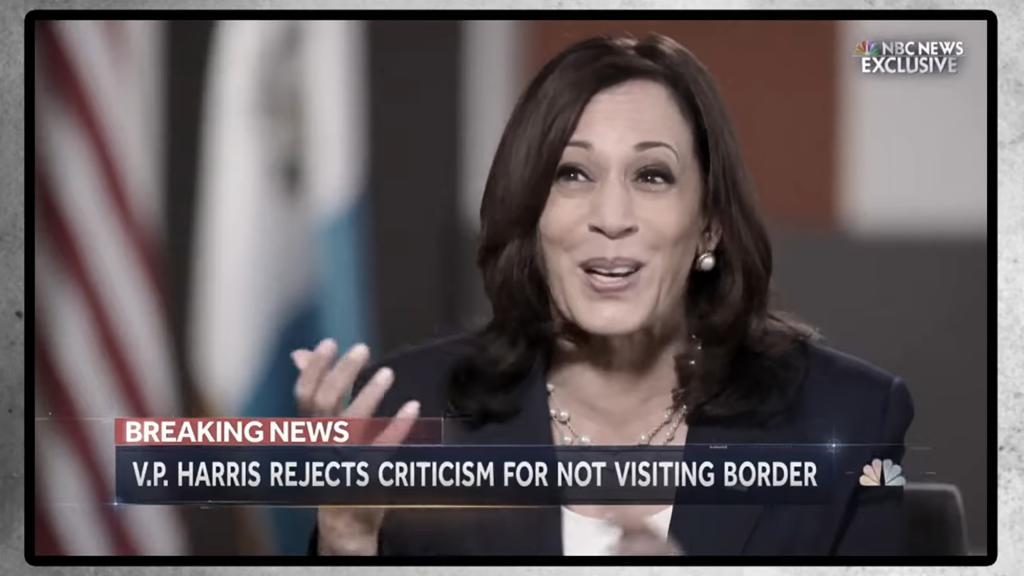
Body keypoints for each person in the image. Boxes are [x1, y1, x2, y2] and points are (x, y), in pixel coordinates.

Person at [293, 33, 914, 556]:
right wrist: (347, 538)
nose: (611, 216)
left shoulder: (845, 421)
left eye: (652, 176)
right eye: (573, 174)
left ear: (709, 226)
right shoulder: (407, 412)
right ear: (532, 217)